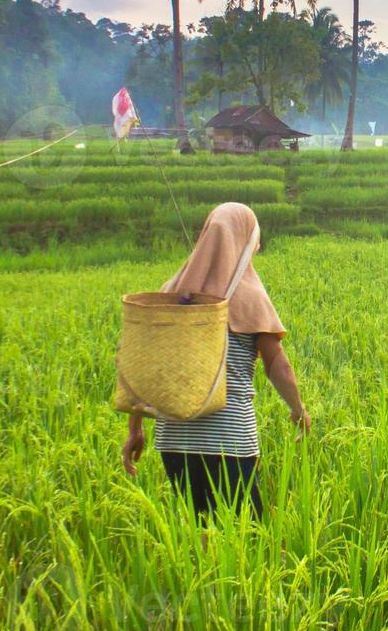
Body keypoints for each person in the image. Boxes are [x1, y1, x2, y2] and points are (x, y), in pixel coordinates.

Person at [121, 203, 310, 519]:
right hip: (228, 437)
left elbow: (145, 365)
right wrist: (298, 409)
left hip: (173, 440)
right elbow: (277, 365)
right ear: (247, 241)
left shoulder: (172, 292)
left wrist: (135, 428)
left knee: (202, 530)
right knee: (244, 536)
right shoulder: (248, 295)